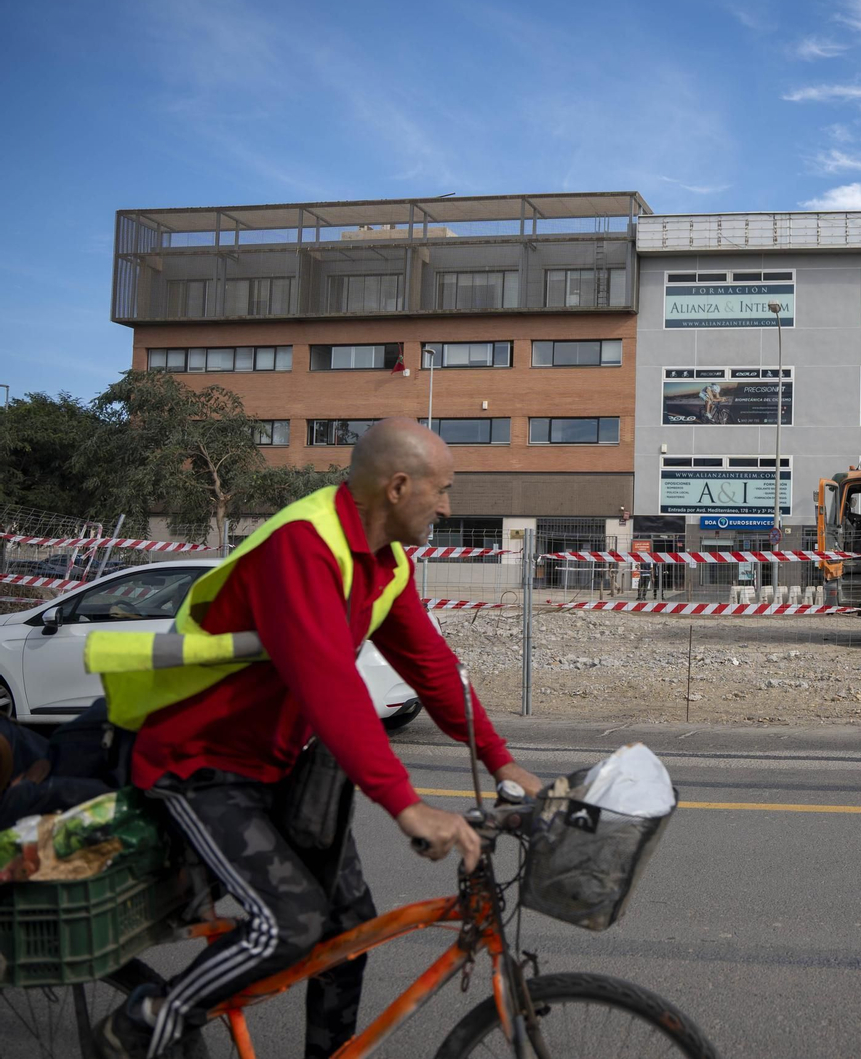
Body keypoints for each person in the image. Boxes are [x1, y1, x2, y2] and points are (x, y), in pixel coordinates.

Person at [92, 418, 541, 1059]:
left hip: (278, 762)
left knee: (348, 934)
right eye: (442, 490)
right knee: (291, 922)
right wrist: (407, 805)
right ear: (398, 487)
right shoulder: (303, 545)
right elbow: (330, 686)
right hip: (201, 760)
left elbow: (433, 669)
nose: (447, 506)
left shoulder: (386, 562)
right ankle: (145, 1020)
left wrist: (501, 761)